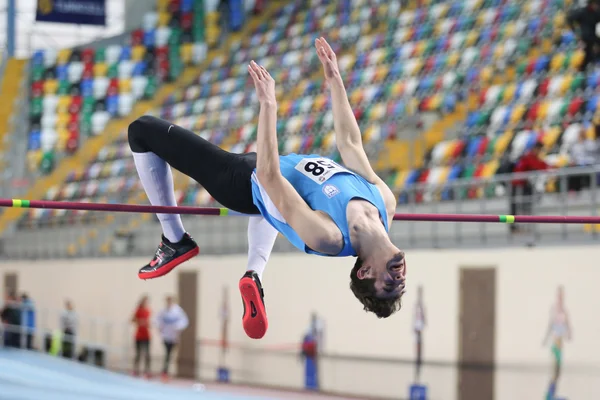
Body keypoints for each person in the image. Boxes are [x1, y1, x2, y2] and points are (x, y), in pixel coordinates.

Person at [127, 37, 406, 340]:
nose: (399, 275)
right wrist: (334, 79)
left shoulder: (330, 237)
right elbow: (351, 145)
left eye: (389, 283)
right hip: (267, 178)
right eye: (401, 282)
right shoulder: (385, 203)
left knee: (142, 130)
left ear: (364, 272)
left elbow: (269, 176)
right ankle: (254, 273)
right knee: (276, 210)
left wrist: (268, 105)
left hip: (241, 180)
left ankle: (174, 239)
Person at [510, 142, 549, 233]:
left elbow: (540, 165)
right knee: (516, 206)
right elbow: (537, 165)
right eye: (539, 150)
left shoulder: (532, 158)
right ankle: (514, 228)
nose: (540, 152)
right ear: (535, 149)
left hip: (523, 185)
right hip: (517, 185)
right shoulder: (528, 157)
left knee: (524, 206)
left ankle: (521, 227)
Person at [542, 286, 572, 400]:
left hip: (560, 342)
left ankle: (552, 394)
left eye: (562, 296)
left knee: (558, 371)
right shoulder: (554, 309)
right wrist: (546, 339)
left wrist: (569, 333)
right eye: (559, 296)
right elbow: (550, 324)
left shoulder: (564, 310)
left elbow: (567, 323)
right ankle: (549, 395)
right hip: (555, 342)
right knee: (554, 370)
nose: (561, 298)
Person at [156, 296, 189, 382]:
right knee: (167, 354)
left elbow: (184, 321)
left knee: (170, 355)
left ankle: (167, 371)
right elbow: (157, 320)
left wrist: (177, 327)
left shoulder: (178, 311)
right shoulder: (163, 311)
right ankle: (165, 372)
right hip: (166, 336)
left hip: (174, 337)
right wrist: (160, 328)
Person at [567, 0, 600, 71]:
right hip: (584, 38)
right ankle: (583, 70)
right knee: (586, 55)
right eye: (596, 4)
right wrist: (575, 32)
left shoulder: (596, 13)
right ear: (591, 3)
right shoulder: (582, 12)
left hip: (593, 37)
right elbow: (569, 18)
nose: (597, 6)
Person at [132, 295, 152, 378]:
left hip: (146, 335)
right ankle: (136, 370)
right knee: (138, 354)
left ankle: (147, 371)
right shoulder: (138, 311)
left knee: (147, 354)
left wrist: (147, 323)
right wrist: (139, 321)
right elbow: (132, 319)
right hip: (138, 335)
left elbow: (150, 322)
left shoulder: (148, 311)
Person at [413, 285, 426, 382]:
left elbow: (424, 319)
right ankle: (417, 372)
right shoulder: (416, 306)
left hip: (420, 331)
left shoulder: (422, 306)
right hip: (417, 332)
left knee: (420, 353)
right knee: (417, 352)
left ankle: (419, 370)